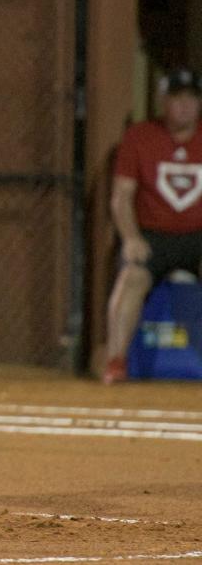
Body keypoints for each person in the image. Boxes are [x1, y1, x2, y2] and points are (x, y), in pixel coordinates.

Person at [103, 67, 202, 384]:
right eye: (177, 98)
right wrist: (130, 238)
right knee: (131, 277)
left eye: (191, 99)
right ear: (163, 102)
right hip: (153, 237)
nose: (185, 106)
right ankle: (116, 361)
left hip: (197, 236)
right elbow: (121, 197)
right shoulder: (139, 137)